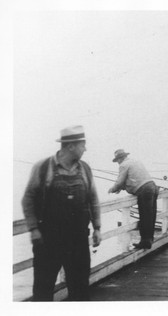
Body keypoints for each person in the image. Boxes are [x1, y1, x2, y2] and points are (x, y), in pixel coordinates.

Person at [22, 125, 102, 301]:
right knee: (43, 290)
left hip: (78, 239)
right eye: (83, 145)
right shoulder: (43, 168)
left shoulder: (85, 169)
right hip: (48, 239)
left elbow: (93, 199)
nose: (85, 149)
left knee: (80, 288)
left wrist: (97, 227)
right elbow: (28, 199)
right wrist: (34, 228)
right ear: (71, 146)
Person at [109, 149, 158, 249]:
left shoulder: (123, 165)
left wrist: (113, 189)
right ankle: (149, 239)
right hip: (153, 187)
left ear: (121, 158)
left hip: (144, 190)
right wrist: (121, 187)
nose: (118, 163)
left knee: (145, 216)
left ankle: (145, 242)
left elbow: (119, 181)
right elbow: (132, 178)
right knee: (151, 215)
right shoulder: (136, 161)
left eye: (117, 160)